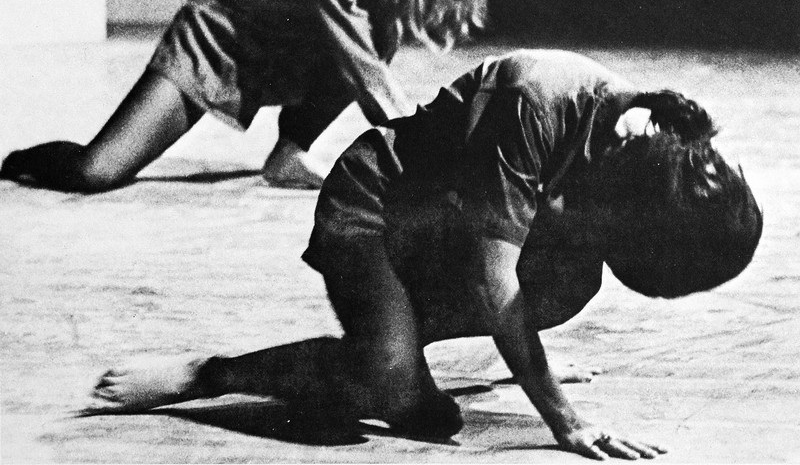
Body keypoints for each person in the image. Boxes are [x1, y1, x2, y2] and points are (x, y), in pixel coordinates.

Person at [84, 50, 762, 460]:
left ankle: (412, 349)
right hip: (375, 208)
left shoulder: (656, 144)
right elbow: (496, 281)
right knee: (386, 384)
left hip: (446, 226)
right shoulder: (538, 102)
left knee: (568, 284)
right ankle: (205, 376)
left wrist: (526, 357)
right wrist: (565, 418)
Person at [0, 0, 487, 192]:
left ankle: (290, 152)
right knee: (95, 172)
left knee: (380, 32)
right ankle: (18, 160)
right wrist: (441, 165)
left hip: (284, 55)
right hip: (214, 47)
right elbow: (371, 82)